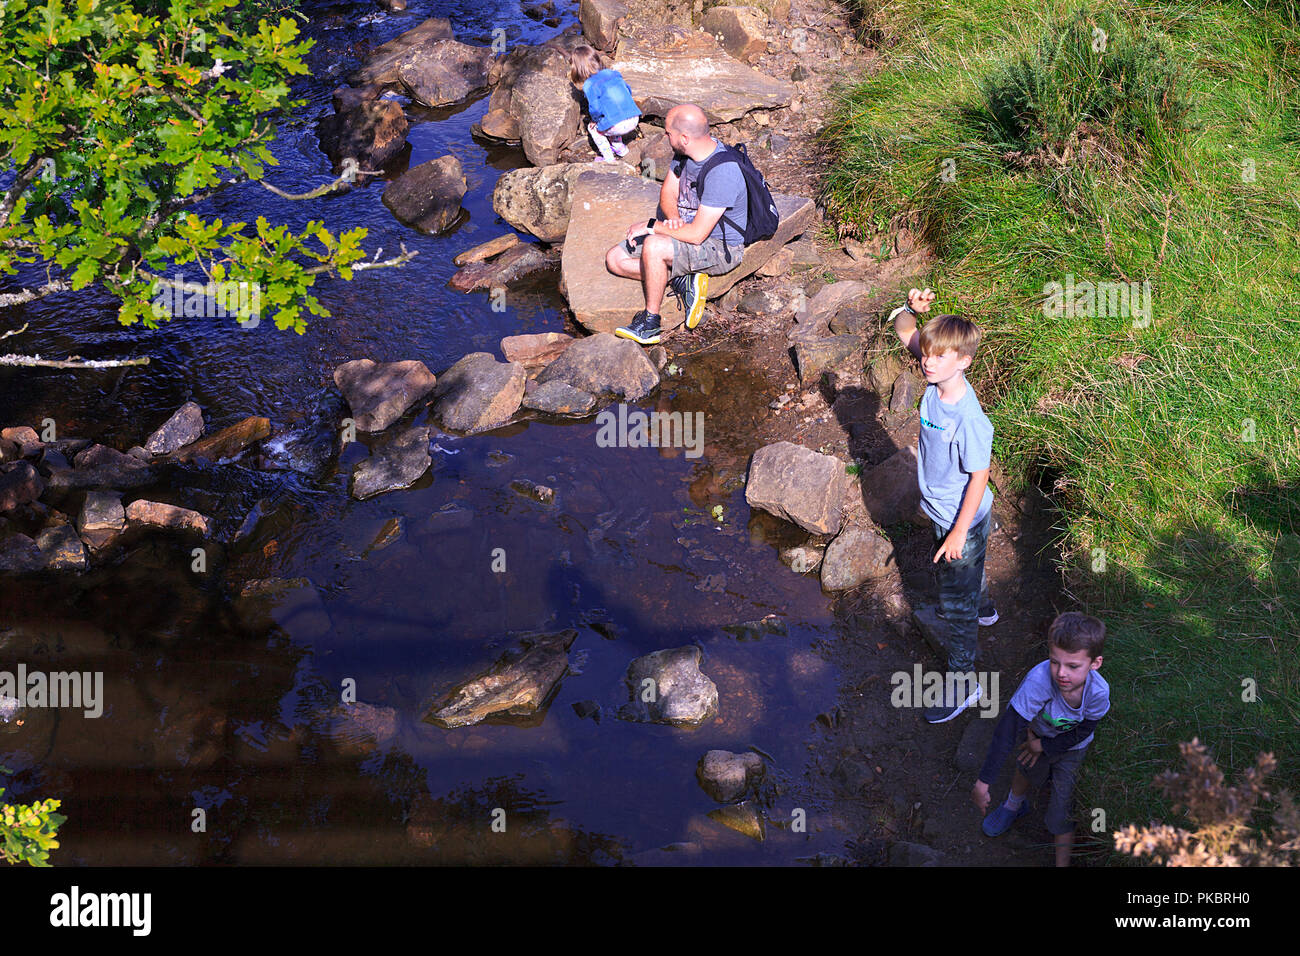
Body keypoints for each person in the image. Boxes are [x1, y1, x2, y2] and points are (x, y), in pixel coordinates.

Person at [890, 287, 999, 722]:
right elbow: (905, 331)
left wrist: (957, 531)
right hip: (943, 510)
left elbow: (980, 476)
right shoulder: (936, 377)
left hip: (962, 518)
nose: (927, 361)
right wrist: (910, 309)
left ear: (965, 362)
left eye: (938, 357)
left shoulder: (970, 419)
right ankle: (986, 607)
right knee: (966, 581)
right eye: (927, 355)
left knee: (955, 607)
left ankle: (964, 682)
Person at [971, 612, 1110, 867]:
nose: (1061, 673)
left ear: (1095, 663)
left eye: (1073, 666)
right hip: (1037, 733)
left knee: (1061, 808)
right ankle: (1013, 806)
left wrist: (1044, 747)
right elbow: (1007, 731)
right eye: (1055, 662)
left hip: (1071, 748)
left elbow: (1085, 729)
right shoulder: (1039, 680)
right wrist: (984, 781)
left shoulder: (1098, 692)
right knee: (1025, 766)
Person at [606, 103, 747, 346]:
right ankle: (681, 279)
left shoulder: (723, 172)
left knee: (653, 246)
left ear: (684, 137)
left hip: (720, 247)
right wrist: (673, 220)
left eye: (668, 133)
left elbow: (697, 235)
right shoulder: (685, 154)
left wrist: (653, 226)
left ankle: (650, 323)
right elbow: (668, 193)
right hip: (685, 231)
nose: (665, 136)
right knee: (614, 260)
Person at [568, 46, 640, 164]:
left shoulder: (589, 85)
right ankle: (620, 149)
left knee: (594, 129)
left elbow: (595, 108)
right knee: (610, 118)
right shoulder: (613, 73)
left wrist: (595, 120)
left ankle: (608, 158)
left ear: (578, 69)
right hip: (634, 117)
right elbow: (628, 89)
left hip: (618, 125)